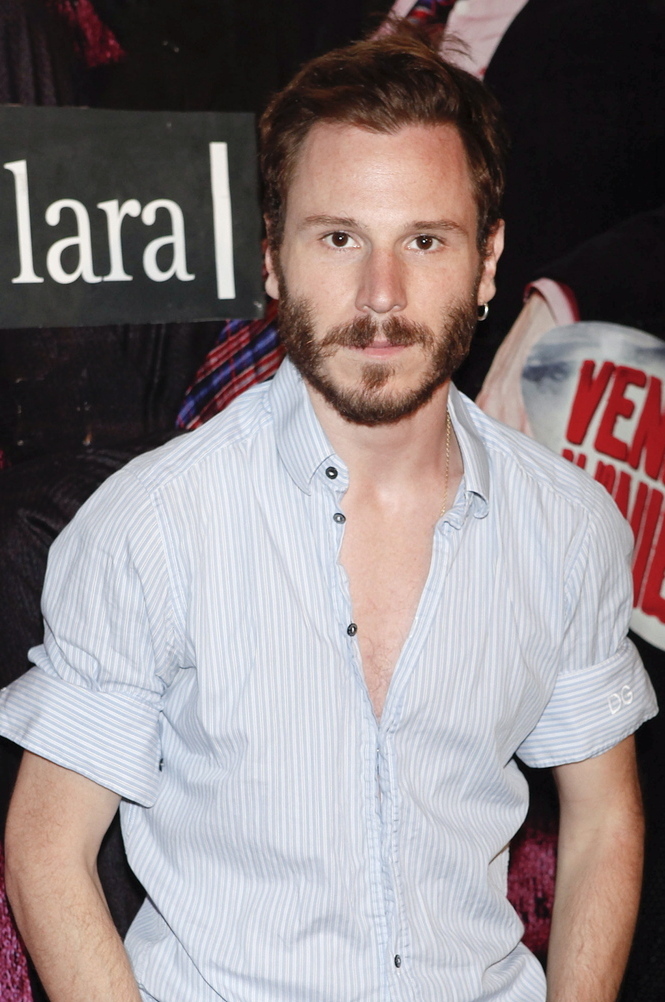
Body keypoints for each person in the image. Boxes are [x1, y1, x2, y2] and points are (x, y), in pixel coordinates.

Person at [0, 23, 657, 1002]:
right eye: (338, 238)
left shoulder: (567, 526)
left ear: (486, 261)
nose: (380, 297)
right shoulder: (150, 526)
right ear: (270, 258)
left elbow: (603, 818)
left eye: (424, 241)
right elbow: (48, 844)